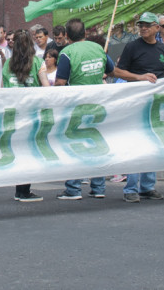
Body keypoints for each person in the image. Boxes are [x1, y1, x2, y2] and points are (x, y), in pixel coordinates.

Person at [113, 11, 164, 203]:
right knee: (136, 144)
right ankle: (130, 188)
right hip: (135, 104)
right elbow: (117, 71)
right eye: (140, 25)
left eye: (146, 25)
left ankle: (147, 186)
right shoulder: (132, 47)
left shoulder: (162, 48)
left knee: (154, 143)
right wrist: (139, 77)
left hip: (156, 104)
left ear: (156, 28)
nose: (142, 28)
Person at [55, 18, 115, 200]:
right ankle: (98, 188)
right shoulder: (98, 48)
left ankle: (73, 188)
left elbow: (60, 82)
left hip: (76, 106)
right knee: (97, 143)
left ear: (66, 35)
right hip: (99, 104)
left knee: (74, 144)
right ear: (85, 33)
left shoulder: (66, 53)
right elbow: (112, 70)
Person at [3, 29, 49, 202]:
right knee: (28, 151)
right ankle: (24, 190)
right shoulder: (38, 62)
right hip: (31, 115)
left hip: (13, 114)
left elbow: (2, 89)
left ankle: (19, 189)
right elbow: (45, 88)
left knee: (18, 150)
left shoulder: (7, 64)